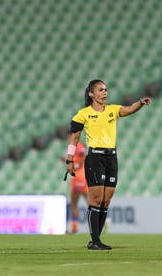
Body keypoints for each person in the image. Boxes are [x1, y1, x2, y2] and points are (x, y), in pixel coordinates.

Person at [65, 79, 151, 250]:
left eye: (106, 90)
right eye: (101, 90)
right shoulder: (83, 114)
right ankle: (94, 240)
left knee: (106, 200)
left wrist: (140, 103)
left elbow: (128, 109)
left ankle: (97, 240)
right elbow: (74, 138)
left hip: (111, 158)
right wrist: (70, 159)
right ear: (91, 93)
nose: (105, 93)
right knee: (96, 199)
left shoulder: (112, 110)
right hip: (95, 158)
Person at [61, 132, 88, 233]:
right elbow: (77, 159)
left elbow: (83, 154)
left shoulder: (77, 145)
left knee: (74, 204)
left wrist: (77, 165)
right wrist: (66, 161)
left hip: (78, 177)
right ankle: (97, 225)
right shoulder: (74, 147)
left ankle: (75, 227)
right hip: (80, 177)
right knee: (88, 203)